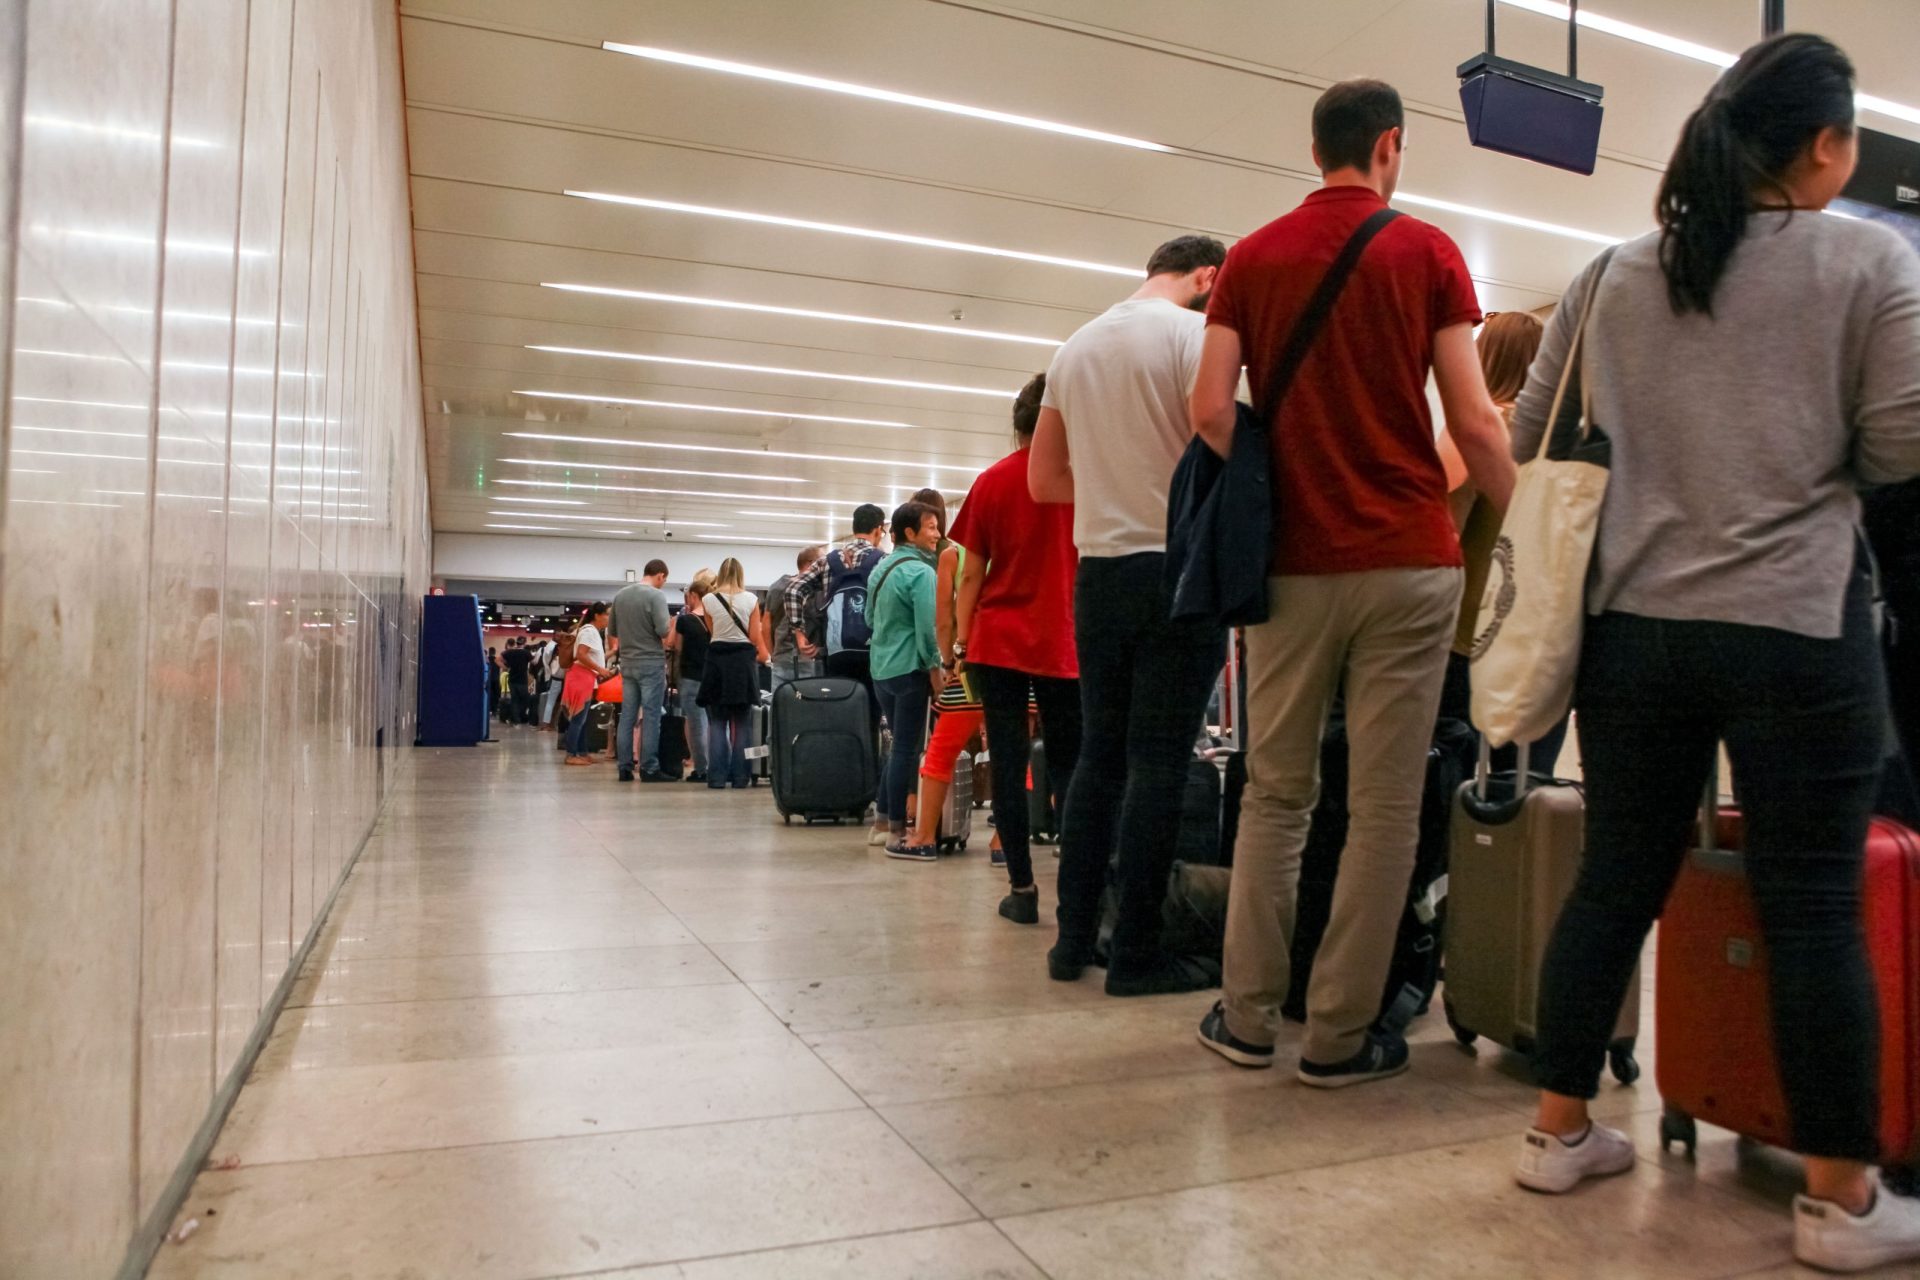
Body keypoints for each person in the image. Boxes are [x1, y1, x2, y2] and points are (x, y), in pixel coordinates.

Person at [1508, 36, 1920, 1273]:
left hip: (1636, 636)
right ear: (1829, 146)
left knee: (1615, 879)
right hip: (1797, 630)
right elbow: (1902, 456)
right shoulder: (1867, 259)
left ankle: (1557, 1126)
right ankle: (1841, 1198)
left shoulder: (1614, 272)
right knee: (1809, 907)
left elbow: (1532, 435)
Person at [1188, 78, 1517, 1085]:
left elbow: (1208, 407)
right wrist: (1533, 533)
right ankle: (1338, 1036)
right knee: (1384, 807)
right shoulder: (1429, 254)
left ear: (1316, 146)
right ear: (1389, 147)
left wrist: (1281, 464)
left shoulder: (1251, 258)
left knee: (1277, 794)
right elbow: (1471, 420)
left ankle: (1246, 1019)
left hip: (1292, 565)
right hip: (1413, 564)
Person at [1028, 232, 1230, 996]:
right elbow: (1221, 433)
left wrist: (1115, 483)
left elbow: (1046, 480)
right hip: (1176, 569)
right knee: (1157, 764)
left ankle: (1072, 937)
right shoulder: (1195, 334)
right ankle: (1138, 951)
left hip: (1099, 575)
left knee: (1099, 761)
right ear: (1208, 275)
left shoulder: (1074, 347)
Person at [947, 375, 1082, 925]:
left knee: (1006, 761)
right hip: (1065, 638)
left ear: (1017, 424)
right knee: (1074, 764)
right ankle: (1079, 888)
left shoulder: (992, 481)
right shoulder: (1081, 480)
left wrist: (958, 640)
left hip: (996, 642)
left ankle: (1022, 890)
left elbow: (972, 574)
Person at [1437, 311, 1562, 774]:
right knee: (1526, 788)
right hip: (1539, 635)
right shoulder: (1562, 437)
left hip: (1469, 634)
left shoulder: (1472, 429)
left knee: (1450, 778)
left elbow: (1444, 531)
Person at [785, 504, 890, 839]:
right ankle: (869, 790)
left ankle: (837, 784)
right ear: (879, 529)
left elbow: (793, 589)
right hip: (873, 652)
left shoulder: (829, 560)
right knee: (872, 720)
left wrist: (801, 633)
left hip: (837, 652)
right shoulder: (883, 560)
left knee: (839, 718)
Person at [903, 490, 986, 859]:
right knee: (1013, 752)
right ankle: (1005, 844)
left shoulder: (954, 556)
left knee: (940, 752)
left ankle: (923, 837)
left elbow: (943, 619)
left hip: (972, 666)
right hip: (1021, 664)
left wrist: (951, 661)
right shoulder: (1015, 551)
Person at [867, 501, 946, 856]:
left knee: (897, 746)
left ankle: (882, 821)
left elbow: (869, 617)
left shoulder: (880, 569)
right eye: (931, 527)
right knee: (906, 750)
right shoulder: (922, 573)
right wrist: (936, 669)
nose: (938, 534)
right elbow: (928, 630)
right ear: (910, 533)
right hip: (910, 670)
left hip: (881, 669)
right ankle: (898, 828)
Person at [693, 559, 768, 789]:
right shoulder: (752, 600)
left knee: (717, 721)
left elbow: (712, 631)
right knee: (743, 723)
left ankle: (716, 777)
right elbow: (755, 638)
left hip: (716, 661)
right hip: (743, 663)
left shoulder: (708, 600)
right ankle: (740, 777)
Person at [609, 559, 673, 783]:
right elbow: (664, 631)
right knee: (651, 716)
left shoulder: (621, 596)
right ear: (660, 576)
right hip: (651, 663)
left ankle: (624, 768)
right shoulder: (656, 596)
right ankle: (649, 767)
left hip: (627, 663)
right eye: (664, 580)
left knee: (627, 716)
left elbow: (613, 631)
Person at [667, 569, 716, 784]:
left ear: (694, 596)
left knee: (697, 724)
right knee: (715, 724)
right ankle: (718, 764)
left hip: (689, 676)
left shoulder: (684, 621)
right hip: (713, 676)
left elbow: (673, 645)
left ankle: (701, 768)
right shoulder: (715, 620)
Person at [765, 545, 825, 692]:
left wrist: (773, 655)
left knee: (780, 706)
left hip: (781, 659)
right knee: (808, 707)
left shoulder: (776, 587)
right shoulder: (817, 589)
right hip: (809, 659)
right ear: (811, 564)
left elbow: (766, 625)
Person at [561, 604, 615, 765]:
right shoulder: (589, 632)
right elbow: (581, 655)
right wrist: (600, 669)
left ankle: (582, 752)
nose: (608, 619)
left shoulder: (592, 632)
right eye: (606, 615)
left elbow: (590, 655)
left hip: (585, 677)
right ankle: (571, 754)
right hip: (581, 678)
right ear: (597, 615)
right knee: (578, 719)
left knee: (582, 719)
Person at [501, 637, 535, 725]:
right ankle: (522, 716)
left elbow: (497, 659)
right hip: (522, 680)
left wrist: (505, 667)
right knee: (525, 699)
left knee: (514, 700)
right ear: (524, 643)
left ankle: (516, 719)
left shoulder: (510, 652)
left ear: (516, 643)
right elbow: (534, 662)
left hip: (512, 679)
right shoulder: (526, 653)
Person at [485, 646, 502, 724]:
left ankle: (489, 709)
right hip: (496, 679)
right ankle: (495, 710)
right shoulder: (497, 660)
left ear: (489, 651)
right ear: (494, 652)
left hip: (489, 679)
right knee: (496, 695)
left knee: (489, 694)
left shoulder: (487, 659)